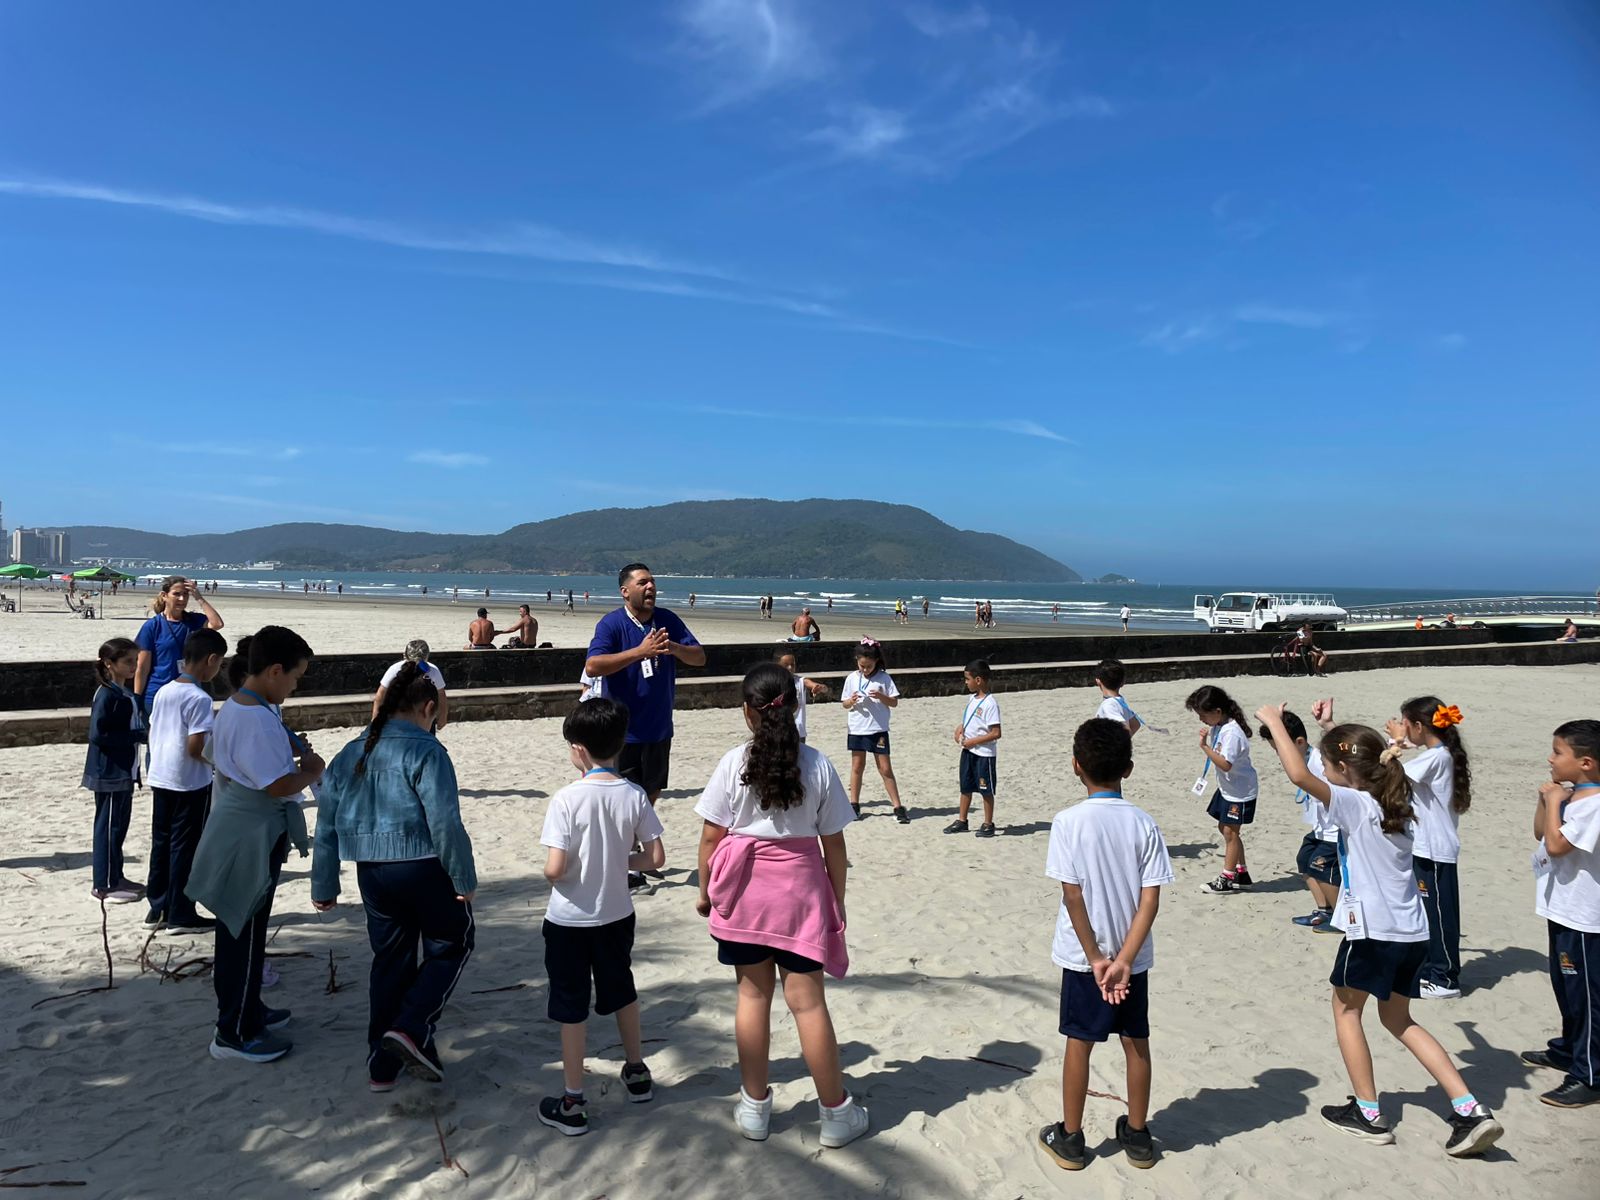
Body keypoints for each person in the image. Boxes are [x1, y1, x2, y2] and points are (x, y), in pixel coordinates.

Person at [1255, 707, 1504, 1156]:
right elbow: (1362, 759)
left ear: (1343, 770)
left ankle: (1368, 1114)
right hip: (1412, 932)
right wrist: (1335, 732)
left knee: (1346, 1012)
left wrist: (1275, 723)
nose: (1324, 773)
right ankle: (1469, 1109)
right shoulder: (1399, 801)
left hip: (1373, 932)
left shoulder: (1357, 804)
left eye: (1329, 766)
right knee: (1398, 1019)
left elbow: (1298, 775)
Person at [694, 663, 868, 1148]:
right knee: (808, 1004)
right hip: (800, 894)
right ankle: (836, 1114)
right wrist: (836, 899)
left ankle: (755, 1108)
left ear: (746, 712)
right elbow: (834, 844)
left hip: (745, 894)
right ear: (794, 708)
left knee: (752, 998)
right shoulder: (817, 764)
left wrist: (705, 891)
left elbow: (710, 837)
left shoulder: (734, 763)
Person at [313, 662, 477, 1092]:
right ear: (428, 708)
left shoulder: (351, 750)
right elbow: (445, 822)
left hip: (371, 872)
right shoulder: (428, 750)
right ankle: (410, 1026)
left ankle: (382, 1065)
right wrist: (463, 877)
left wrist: (324, 883)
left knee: (391, 960)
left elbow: (325, 823)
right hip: (423, 865)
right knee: (453, 943)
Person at [1038, 718, 1173, 1172]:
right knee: (1136, 1041)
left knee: (1080, 1041)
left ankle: (1071, 1137)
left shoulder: (1068, 822)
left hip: (1085, 960)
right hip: (1131, 958)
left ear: (1076, 765)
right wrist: (1125, 959)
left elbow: (1072, 895)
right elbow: (1150, 899)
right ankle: (1137, 1134)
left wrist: (1097, 957)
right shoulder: (1144, 823)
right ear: (1128, 769)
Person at [187, 627, 324, 1064]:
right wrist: (312, 770)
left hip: (242, 825)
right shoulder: (256, 717)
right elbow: (277, 785)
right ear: (275, 670)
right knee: (242, 932)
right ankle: (235, 1031)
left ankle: (248, 1009)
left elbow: (220, 756)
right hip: (249, 832)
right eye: (296, 677)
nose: (295, 686)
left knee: (245, 929)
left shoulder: (240, 706)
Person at [537, 699, 665, 1135]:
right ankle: (637, 1070)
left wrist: (558, 870)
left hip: (569, 921)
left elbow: (555, 868)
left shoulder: (566, 799)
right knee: (621, 989)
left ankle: (573, 1100)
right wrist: (618, 862)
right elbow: (655, 857)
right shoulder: (633, 794)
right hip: (616, 915)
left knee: (571, 1005)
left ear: (578, 749)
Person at [584, 564, 705, 816]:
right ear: (625, 591)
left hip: (659, 728)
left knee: (652, 789)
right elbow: (593, 666)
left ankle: (637, 830)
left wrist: (673, 647)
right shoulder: (611, 624)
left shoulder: (667, 620)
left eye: (652, 582)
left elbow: (699, 657)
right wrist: (640, 652)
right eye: (642, 583)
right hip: (622, 732)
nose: (651, 587)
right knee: (620, 795)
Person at [1527, 719, 1600, 1107]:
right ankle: (1570, 1048)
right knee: (1566, 988)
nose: (1550, 759)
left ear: (1586, 762)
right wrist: (1547, 801)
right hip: (1562, 908)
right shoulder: (1572, 798)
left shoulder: (1595, 806)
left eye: (1558, 752)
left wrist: (1556, 801)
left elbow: (1557, 846)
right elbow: (1541, 832)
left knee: (1586, 996)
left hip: (1586, 918)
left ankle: (1590, 1074)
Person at [1386, 697, 1472, 1000]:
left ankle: (1445, 978)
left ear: (1419, 726)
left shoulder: (1437, 757)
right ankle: (1430, 969)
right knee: (1427, 912)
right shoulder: (1438, 754)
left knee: (1438, 915)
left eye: (1405, 723)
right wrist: (1401, 743)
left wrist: (1396, 742)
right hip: (1427, 847)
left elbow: (1391, 773)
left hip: (1434, 850)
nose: (1402, 727)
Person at [145, 628, 227, 934]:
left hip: (162, 775)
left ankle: (158, 906)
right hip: (189, 781)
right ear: (211, 660)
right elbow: (196, 747)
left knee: (162, 843)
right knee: (184, 847)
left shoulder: (165, 690)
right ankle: (180, 911)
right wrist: (219, 763)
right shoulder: (199, 697)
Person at [1258, 709, 1342, 931]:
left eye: (1281, 748)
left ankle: (1341, 919)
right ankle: (1324, 911)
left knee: (1323, 870)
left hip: (1334, 830)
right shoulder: (1304, 759)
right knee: (1304, 860)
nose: (1280, 755)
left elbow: (1347, 752)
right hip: (1320, 827)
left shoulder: (1318, 761)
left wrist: (1328, 724)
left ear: (1300, 742)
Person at [82, 637, 147, 903]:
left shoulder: (123, 693)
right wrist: (136, 735)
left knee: (118, 827)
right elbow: (98, 734)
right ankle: (103, 885)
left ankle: (116, 876)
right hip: (108, 772)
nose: (133, 666)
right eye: (128, 661)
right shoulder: (107, 694)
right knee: (107, 828)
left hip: (125, 771)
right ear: (109, 663)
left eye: (135, 661)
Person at [1186, 685, 1258, 894]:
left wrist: (1205, 747)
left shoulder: (1232, 733)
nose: (1201, 719)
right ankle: (1241, 872)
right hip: (1228, 788)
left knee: (1230, 832)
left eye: (1203, 714)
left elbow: (1226, 764)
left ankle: (1227, 877)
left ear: (1217, 711)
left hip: (1240, 791)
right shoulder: (1219, 726)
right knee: (1224, 828)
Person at [134, 575, 224, 713]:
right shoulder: (152, 626)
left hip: (189, 694)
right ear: (164, 596)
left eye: (185, 594)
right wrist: (137, 698)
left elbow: (217, 624)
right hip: (158, 695)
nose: (182, 599)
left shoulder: (194, 621)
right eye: (176, 594)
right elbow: (142, 668)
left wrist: (198, 597)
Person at [842, 640, 909, 824]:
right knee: (857, 766)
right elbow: (845, 704)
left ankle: (898, 806)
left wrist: (881, 696)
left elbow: (894, 702)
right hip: (857, 727)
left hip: (878, 729)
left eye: (869, 666)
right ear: (857, 660)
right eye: (862, 666)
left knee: (885, 768)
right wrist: (851, 701)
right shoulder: (852, 678)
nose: (865, 669)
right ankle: (854, 804)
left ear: (876, 661)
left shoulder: (884, 678)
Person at [945, 660, 1001, 837]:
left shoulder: (990, 703)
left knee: (986, 789)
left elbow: (996, 733)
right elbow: (970, 721)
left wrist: (974, 741)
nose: (965, 682)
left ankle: (988, 823)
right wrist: (960, 729)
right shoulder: (972, 699)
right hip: (968, 752)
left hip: (984, 754)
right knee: (965, 786)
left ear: (978, 680)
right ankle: (962, 820)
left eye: (967, 679)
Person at [374, 640, 449, 730]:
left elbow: (441, 694)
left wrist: (443, 716)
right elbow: (381, 694)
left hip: (423, 716)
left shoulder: (433, 671)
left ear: (404, 655)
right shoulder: (395, 670)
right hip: (402, 714)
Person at [775, 651, 829, 743]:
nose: (790, 667)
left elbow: (821, 687)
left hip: (798, 730)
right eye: (786, 665)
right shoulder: (772, 682)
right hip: (778, 729)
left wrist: (819, 687)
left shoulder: (800, 681)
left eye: (792, 665)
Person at [1093, 660, 1142, 736]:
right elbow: (1136, 724)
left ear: (1098, 681)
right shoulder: (1119, 702)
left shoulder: (1108, 705)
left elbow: (1125, 730)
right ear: (1122, 683)